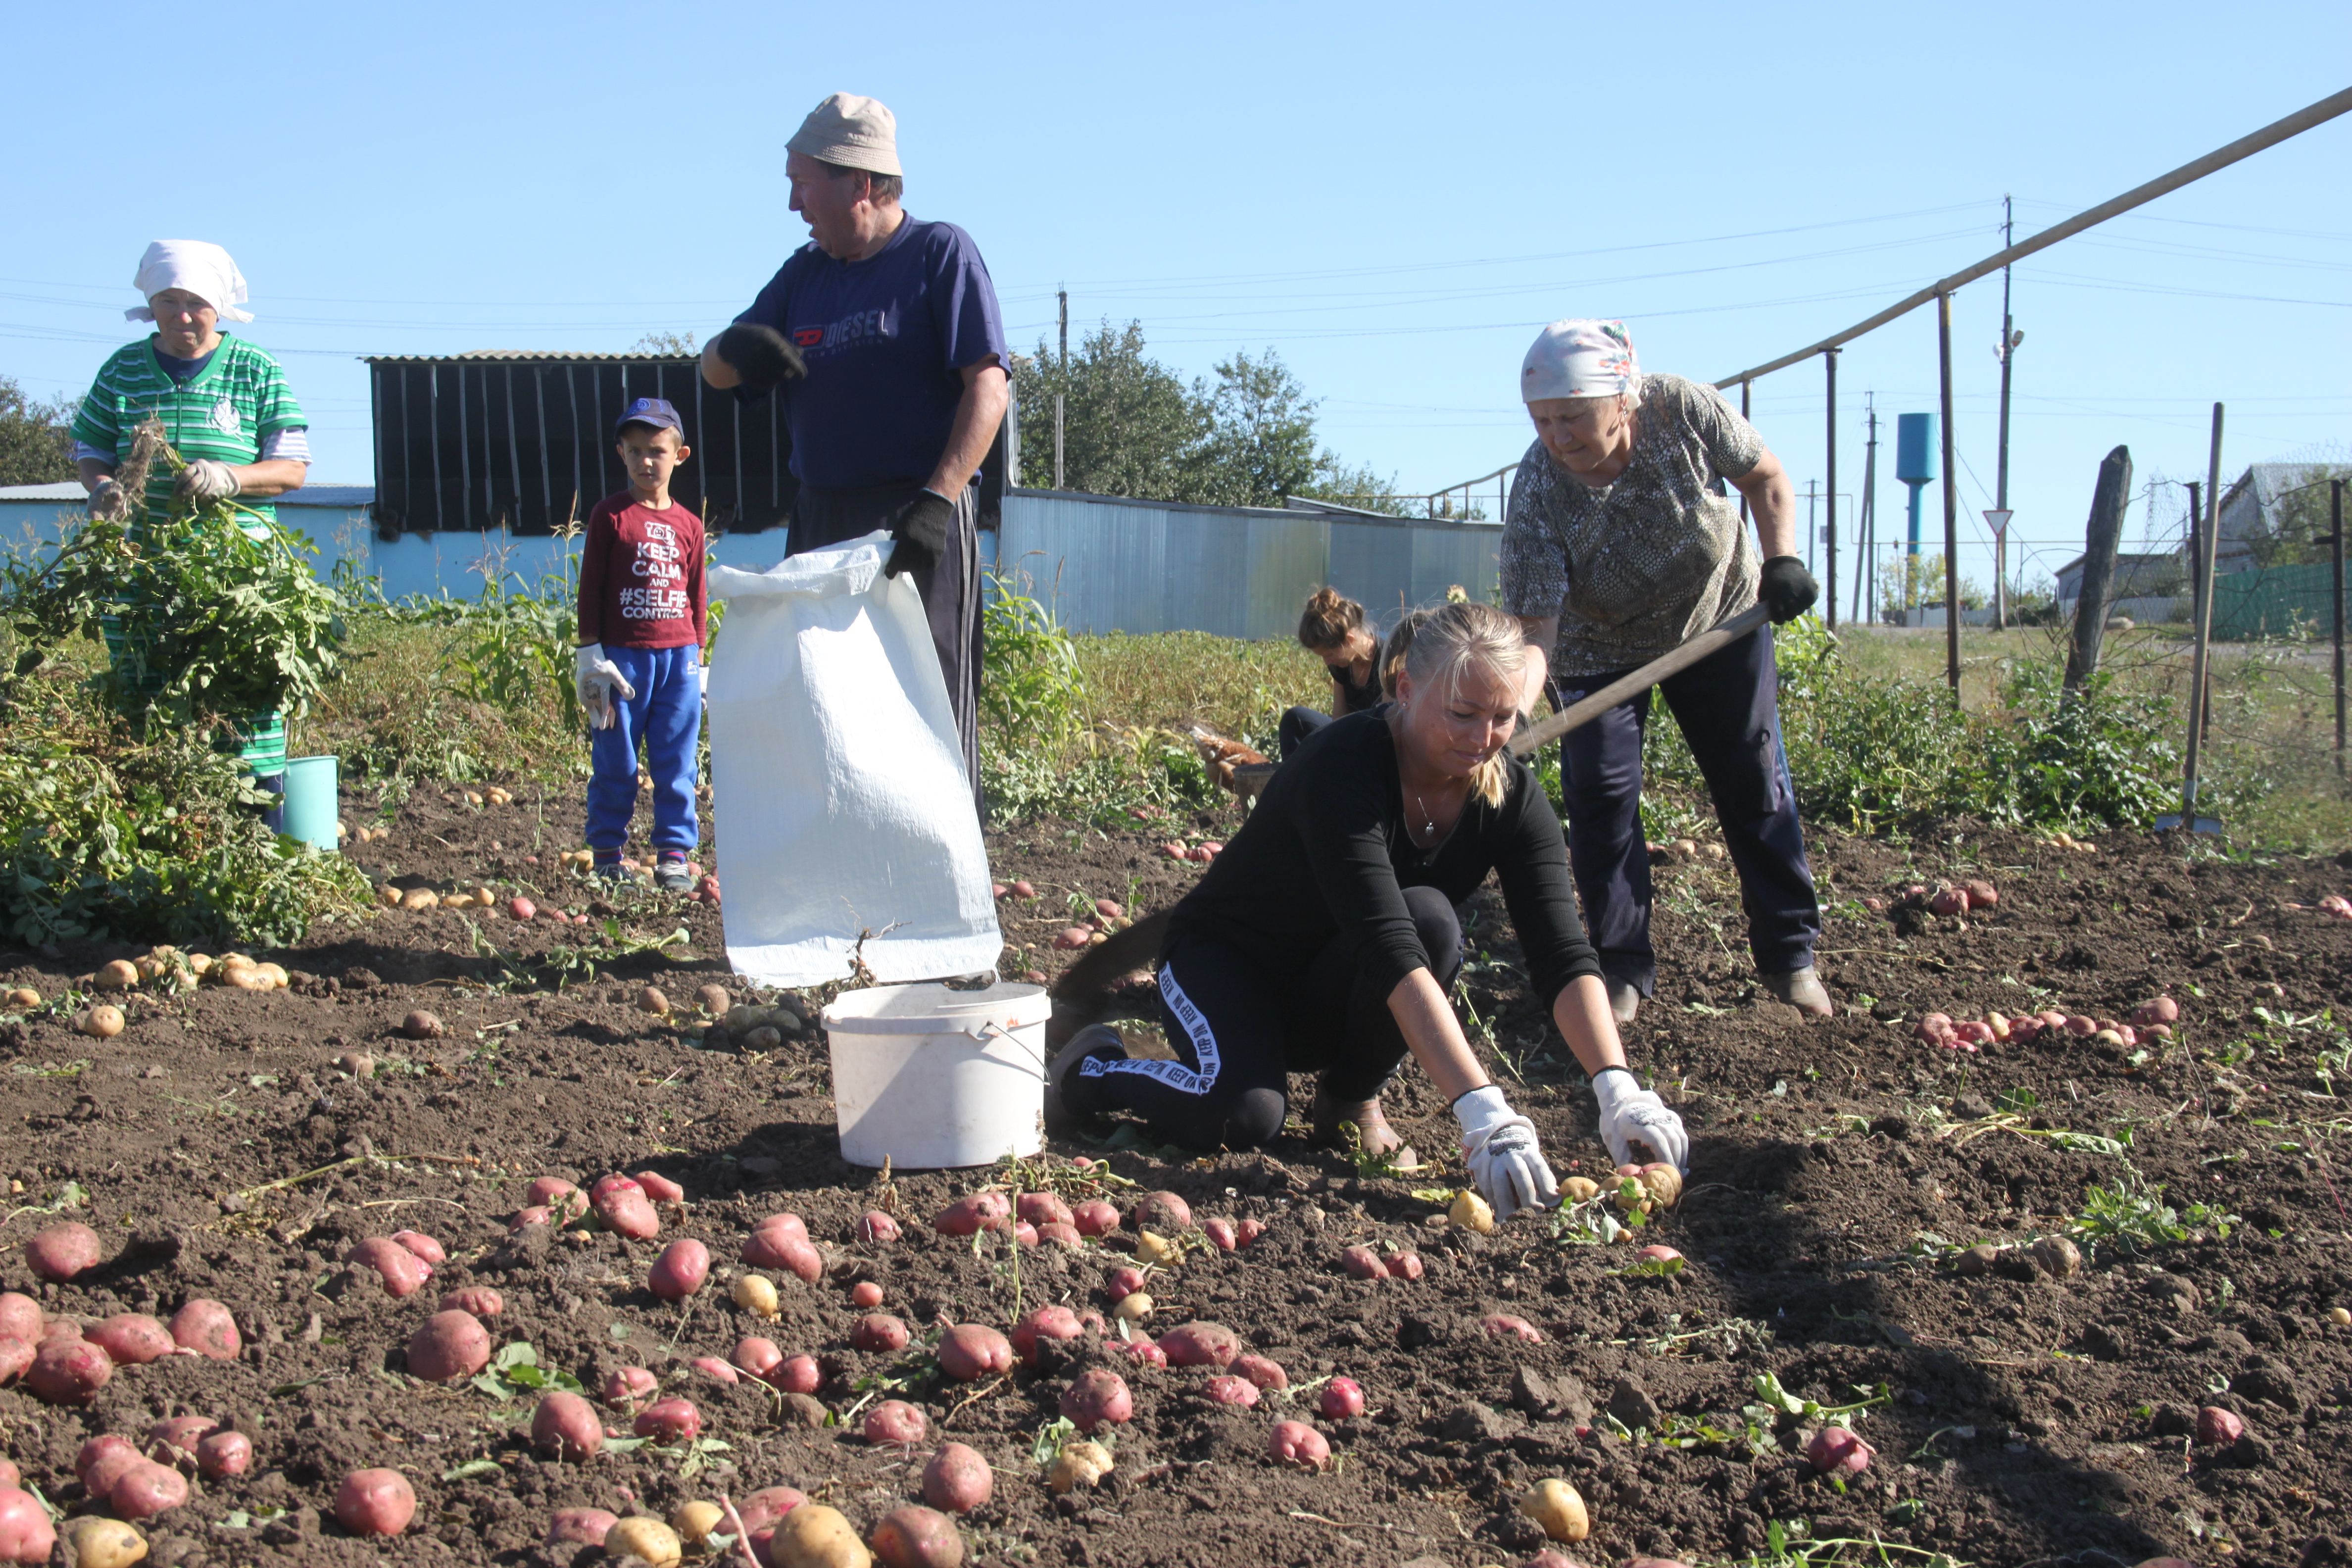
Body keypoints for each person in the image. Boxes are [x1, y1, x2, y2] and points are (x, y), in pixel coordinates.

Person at [1047, 601, 1690, 1217]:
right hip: (1226, 966)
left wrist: (1618, 1087)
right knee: (1242, 1117)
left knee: (1432, 920)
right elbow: (1385, 947)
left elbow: (1562, 955)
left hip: (1330, 982)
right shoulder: (1346, 767)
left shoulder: (1509, 798)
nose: (1483, 740)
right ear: (1406, 688)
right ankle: (1092, 1070)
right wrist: (1483, 1110)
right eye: (1463, 714)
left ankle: (1347, 1102)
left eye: (1502, 719)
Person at [1500, 319, 1828, 1028]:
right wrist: (1511, 714)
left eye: (1573, 417)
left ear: (1624, 398)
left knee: (1753, 777)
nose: (1558, 437)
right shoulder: (1537, 493)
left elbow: (1765, 477)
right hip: (1597, 650)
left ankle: (1790, 956)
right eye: (1543, 420)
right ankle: (1620, 967)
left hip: (1718, 623)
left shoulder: (1684, 410)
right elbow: (1536, 636)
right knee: (1602, 798)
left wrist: (1783, 560)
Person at [700, 92, 1009, 813]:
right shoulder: (804, 276)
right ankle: (846, 893)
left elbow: (987, 390)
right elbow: (715, 371)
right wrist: (730, 350)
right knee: (825, 705)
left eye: (801, 183)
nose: (792, 204)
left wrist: (937, 502)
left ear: (859, 184)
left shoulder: (940, 256)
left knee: (923, 701)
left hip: (914, 520)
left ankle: (943, 892)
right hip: (820, 519)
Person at [70, 240, 311, 804]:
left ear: (219, 306)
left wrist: (231, 477)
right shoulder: (124, 369)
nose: (183, 315)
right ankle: (159, 850)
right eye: (169, 301)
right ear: (150, 306)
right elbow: (89, 444)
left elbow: (292, 468)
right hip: (145, 578)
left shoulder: (255, 369)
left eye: (196, 302)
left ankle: (257, 837)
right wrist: (102, 485)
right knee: (147, 713)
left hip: (238, 582)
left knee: (245, 712)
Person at [575, 397, 708, 892]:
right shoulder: (610, 517)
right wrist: (589, 654)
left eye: (656, 450)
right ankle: (608, 854)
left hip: (678, 661)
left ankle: (673, 855)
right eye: (634, 451)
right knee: (618, 759)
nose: (645, 461)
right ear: (621, 454)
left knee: (677, 759)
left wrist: (699, 655)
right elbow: (591, 586)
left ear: (680, 455)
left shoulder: (690, 525)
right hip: (622, 661)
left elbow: (697, 592)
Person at [1277, 586, 1385, 758]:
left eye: (1329, 654)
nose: (1327, 662)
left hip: (1378, 744)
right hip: (1351, 738)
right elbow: (1339, 721)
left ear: (1349, 640)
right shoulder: (1341, 665)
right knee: (1295, 719)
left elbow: (1390, 723)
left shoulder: (1387, 660)